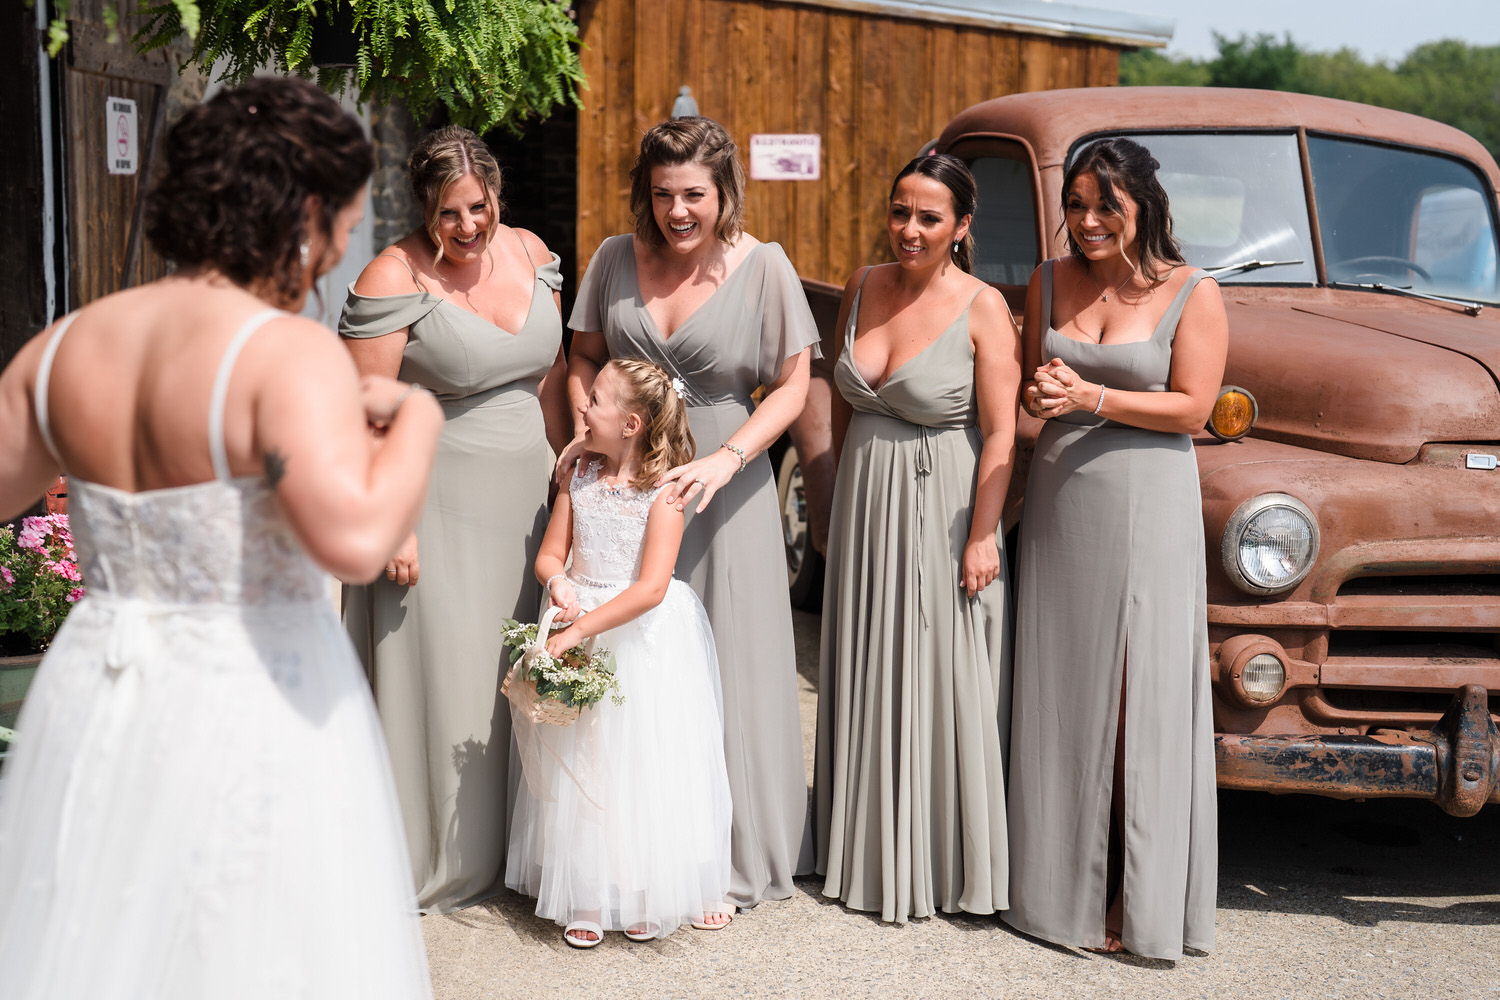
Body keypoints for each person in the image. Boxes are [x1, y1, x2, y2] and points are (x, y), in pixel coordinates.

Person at [0, 77, 440, 997]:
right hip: (250, 699)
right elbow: (357, 542)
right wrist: (420, 420)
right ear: (307, 211)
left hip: (94, 694)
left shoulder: (58, 351)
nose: (330, 260)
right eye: (341, 228)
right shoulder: (283, 352)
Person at [563, 117, 817, 909]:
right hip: (628, 487)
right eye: (663, 193)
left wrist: (726, 458)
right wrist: (590, 441)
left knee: (731, 668)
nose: (678, 211)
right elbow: (581, 359)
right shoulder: (613, 257)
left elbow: (796, 386)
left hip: (721, 483)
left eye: (695, 195)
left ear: (725, 192)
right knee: (637, 665)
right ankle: (633, 851)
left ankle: (727, 860)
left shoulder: (765, 267)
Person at [1002, 137, 1226, 959]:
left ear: (1144, 207)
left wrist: (1092, 393)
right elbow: (1034, 393)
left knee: (1138, 699)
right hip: (1064, 502)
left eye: (1107, 207)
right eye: (1076, 205)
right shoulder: (1047, 280)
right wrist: (1039, 395)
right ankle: (1058, 890)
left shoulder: (1192, 291)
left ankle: (1137, 897)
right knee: (1062, 688)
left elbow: (1195, 408)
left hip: (1148, 501)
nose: (1088, 222)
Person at [340, 125, 570, 912]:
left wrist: (575, 476)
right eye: (449, 213)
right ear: (423, 207)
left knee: (520, 663)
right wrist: (393, 520)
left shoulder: (536, 255)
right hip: (432, 498)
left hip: (530, 499)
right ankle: (436, 852)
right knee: (443, 672)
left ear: (497, 194)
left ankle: (524, 848)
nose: (468, 226)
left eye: (479, 206)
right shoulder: (390, 274)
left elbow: (554, 381)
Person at [813, 154, 1021, 924]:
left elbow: (1002, 432)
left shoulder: (984, 307)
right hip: (866, 500)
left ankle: (935, 861)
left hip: (943, 507)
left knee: (937, 671)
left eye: (929, 217)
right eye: (900, 211)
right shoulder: (864, 286)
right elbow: (836, 404)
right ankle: (858, 845)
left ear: (961, 228)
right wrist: (828, 500)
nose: (909, 229)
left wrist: (982, 534)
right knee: (868, 659)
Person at [507, 358, 733, 947]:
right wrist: (559, 585)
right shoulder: (577, 476)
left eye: (597, 401)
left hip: (641, 638)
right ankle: (587, 888)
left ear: (631, 424)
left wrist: (580, 631)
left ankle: (643, 888)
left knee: (646, 763)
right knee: (588, 762)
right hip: (579, 618)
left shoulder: (665, 494)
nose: (582, 406)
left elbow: (651, 588)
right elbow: (551, 555)